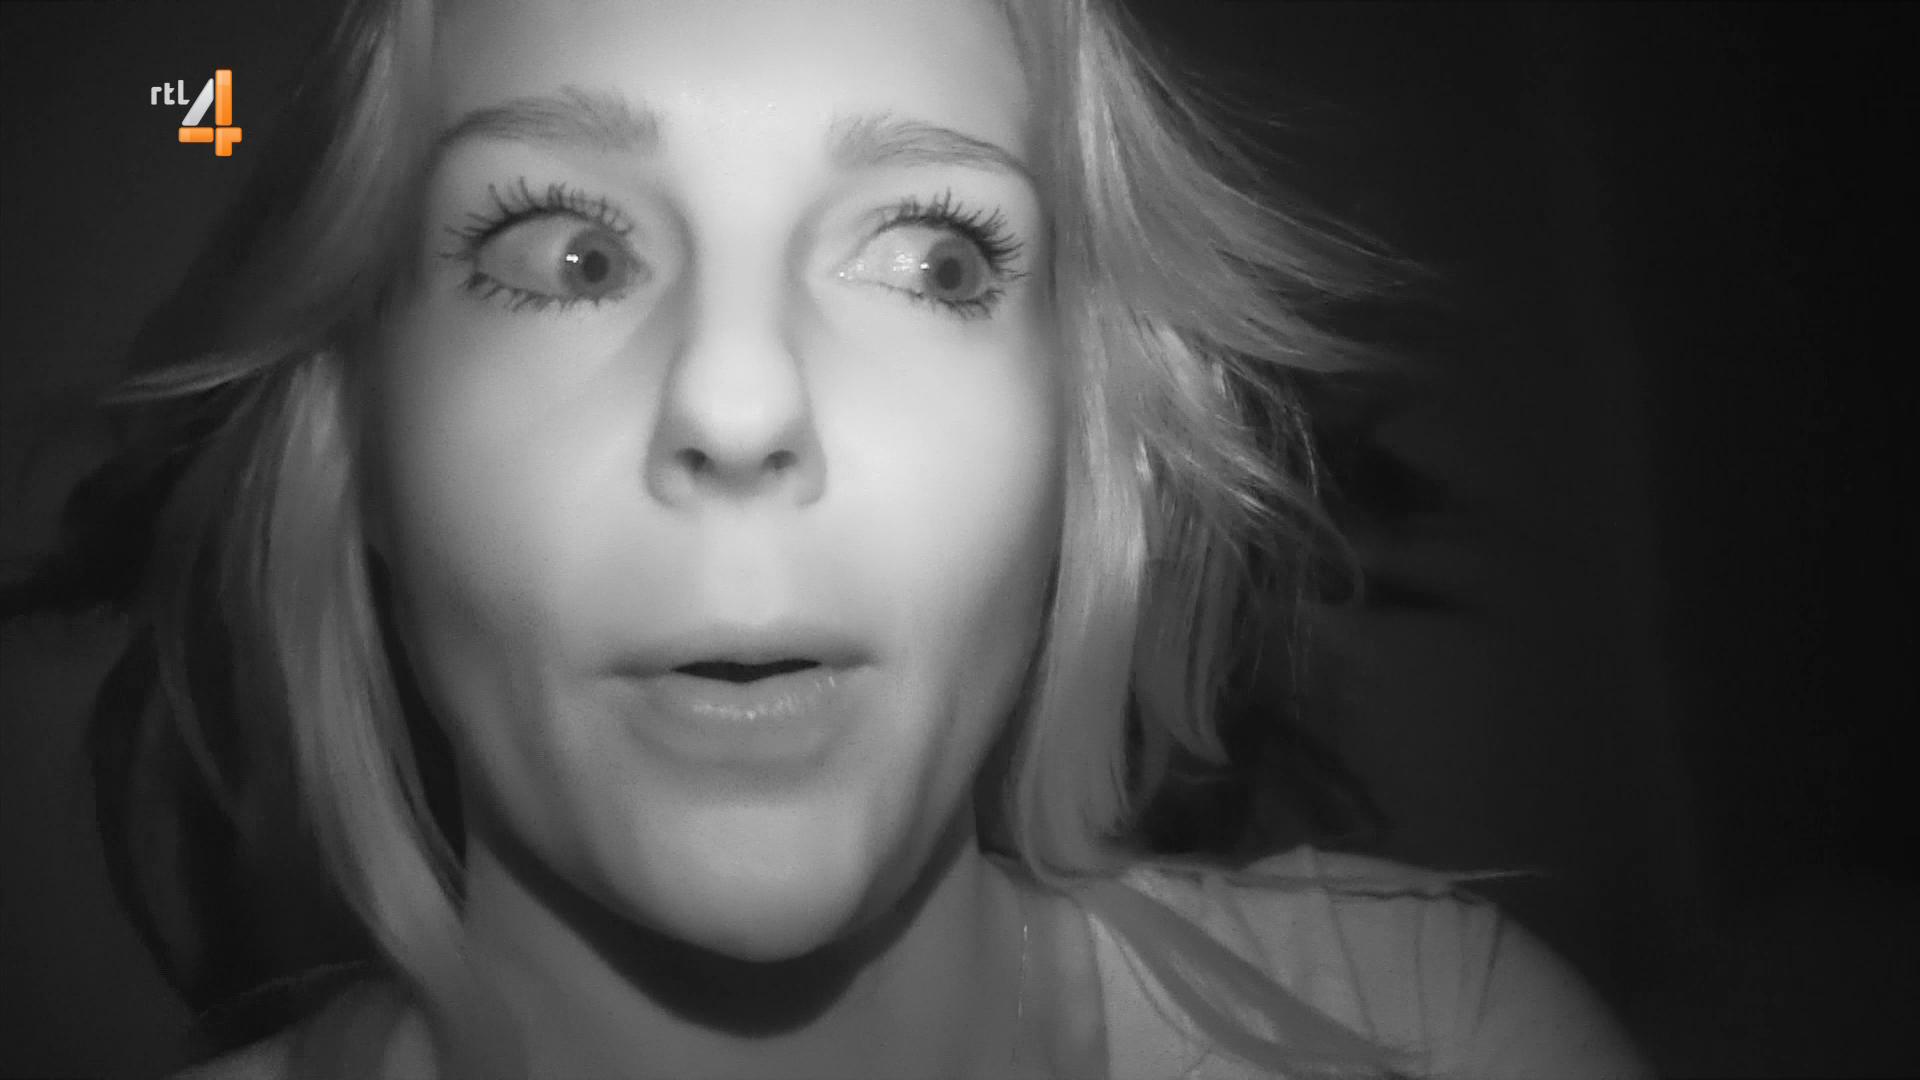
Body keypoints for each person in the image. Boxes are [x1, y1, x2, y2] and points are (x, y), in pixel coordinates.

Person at [4, 0, 1656, 1076]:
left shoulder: (1442, 1035)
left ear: (1086, 452)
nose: (737, 399)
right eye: (569, 252)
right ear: (363, 457)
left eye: (936, 258)